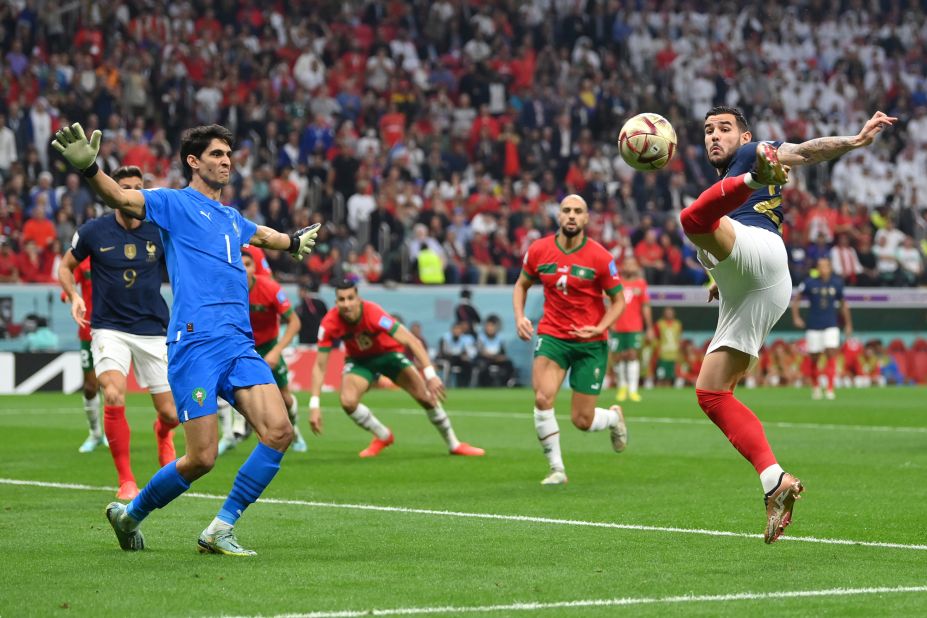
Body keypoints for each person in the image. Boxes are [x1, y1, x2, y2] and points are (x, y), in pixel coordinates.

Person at [52, 122, 319, 556]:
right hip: (195, 344)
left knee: (278, 430)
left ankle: (221, 527)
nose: (226, 161)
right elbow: (120, 197)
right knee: (202, 458)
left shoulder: (232, 218)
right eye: (216, 154)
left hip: (239, 344)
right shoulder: (173, 204)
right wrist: (90, 169)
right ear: (194, 162)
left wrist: (291, 242)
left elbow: (263, 235)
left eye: (229, 154)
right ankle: (130, 514)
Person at [677, 106, 895, 543]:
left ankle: (749, 198)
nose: (714, 137)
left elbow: (804, 152)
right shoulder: (721, 186)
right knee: (712, 393)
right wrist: (721, 276)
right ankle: (773, 479)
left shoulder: (757, 154)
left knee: (690, 219)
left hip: (761, 252)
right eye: (707, 131)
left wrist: (852, 140)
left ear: (745, 136)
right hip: (758, 284)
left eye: (724, 129)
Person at [58, 165, 178, 500]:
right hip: (109, 327)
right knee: (111, 393)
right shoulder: (94, 231)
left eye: (136, 188)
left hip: (153, 328)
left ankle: (163, 433)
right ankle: (126, 479)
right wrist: (75, 295)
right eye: (123, 187)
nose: (130, 194)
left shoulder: (159, 230)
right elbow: (65, 266)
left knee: (171, 413)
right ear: (112, 191)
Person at [512, 194, 628, 486]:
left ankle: (613, 418)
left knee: (582, 421)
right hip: (553, 336)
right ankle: (557, 469)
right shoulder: (538, 250)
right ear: (559, 216)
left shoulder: (601, 257)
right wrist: (520, 316)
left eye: (578, 211)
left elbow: (619, 300)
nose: (572, 216)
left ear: (587, 218)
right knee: (542, 397)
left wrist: (599, 326)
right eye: (567, 211)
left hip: (591, 343)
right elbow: (521, 284)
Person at [308, 279, 484, 458]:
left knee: (426, 398)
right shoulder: (329, 323)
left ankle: (454, 444)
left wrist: (430, 374)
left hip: (389, 356)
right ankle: (383, 435)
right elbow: (320, 366)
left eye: (350, 298)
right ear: (336, 302)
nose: (346, 304)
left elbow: (410, 340)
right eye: (341, 300)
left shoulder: (373, 313)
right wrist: (314, 404)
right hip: (360, 361)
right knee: (347, 401)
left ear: (358, 298)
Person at [217, 249, 308, 455]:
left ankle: (295, 432)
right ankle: (228, 435)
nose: (243, 269)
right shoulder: (224, 290)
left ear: (254, 268)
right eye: (239, 264)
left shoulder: (270, 288)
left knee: (284, 399)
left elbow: (294, 322)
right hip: (238, 346)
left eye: (248, 265)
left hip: (267, 347)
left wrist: (276, 351)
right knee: (222, 393)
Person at [61, 253, 106, 453]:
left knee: (111, 386)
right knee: (90, 386)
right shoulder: (83, 262)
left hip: (111, 329)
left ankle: (110, 434)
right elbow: (71, 279)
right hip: (88, 331)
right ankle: (95, 433)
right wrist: (68, 295)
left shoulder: (113, 255)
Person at [791, 257, 852, 400]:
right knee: (814, 357)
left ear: (830, 268)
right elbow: (797, 300)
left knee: (831, 352)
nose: (822, 268)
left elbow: (843, 304)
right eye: (819, 266)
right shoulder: (809, 283)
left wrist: (848, 324)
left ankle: (830, 388)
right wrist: (796, 317)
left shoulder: (837, 283)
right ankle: (816, 386)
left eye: (825, 266)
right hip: (814, 325)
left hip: (831, 324)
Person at [608, 257, 654, 402]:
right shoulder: (616, 282)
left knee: (632, 355)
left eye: (632, 264)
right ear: (622, 267)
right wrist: (609, 321)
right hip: (617, 325)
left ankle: (633, 390)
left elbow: (645, 306)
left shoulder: (640, 284)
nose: (630, 266)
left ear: (636, 267)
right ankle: (622, 387)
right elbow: (609, 302)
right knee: (618, 356)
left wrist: (650, 327)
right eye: (627, 264)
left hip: (635, 326)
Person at [476, 315, 515, 387]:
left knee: (508, 363)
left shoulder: (499, 338)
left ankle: (507, 383)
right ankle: (484, 385)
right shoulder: (481, 337)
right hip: (485, 359)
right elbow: (481, 352)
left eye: (492, 326)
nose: (490, 328)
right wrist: (494, 357)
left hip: (496, 359)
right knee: (482, 365)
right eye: (488, 326)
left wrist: (501, 357)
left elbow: (503, 353)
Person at [654, 307, 683, 386]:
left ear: (674, 313)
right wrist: (657, 351)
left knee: (670, 378)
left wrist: (679, 352)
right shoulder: (659, 324)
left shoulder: (678, 324)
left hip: (673, 354)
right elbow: (656, 338)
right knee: (660, 377)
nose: (669, 314)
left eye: (670, 312)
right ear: (664, 313)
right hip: (663, 354)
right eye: (667, 312)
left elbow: (679, 338)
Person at [296, 281, 328, 347]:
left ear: (305, 291)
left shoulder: (318, 303)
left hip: (314, 340)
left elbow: (326, 320)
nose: (299, 293)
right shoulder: (299, 307)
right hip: (305, 340)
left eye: (300, 291)